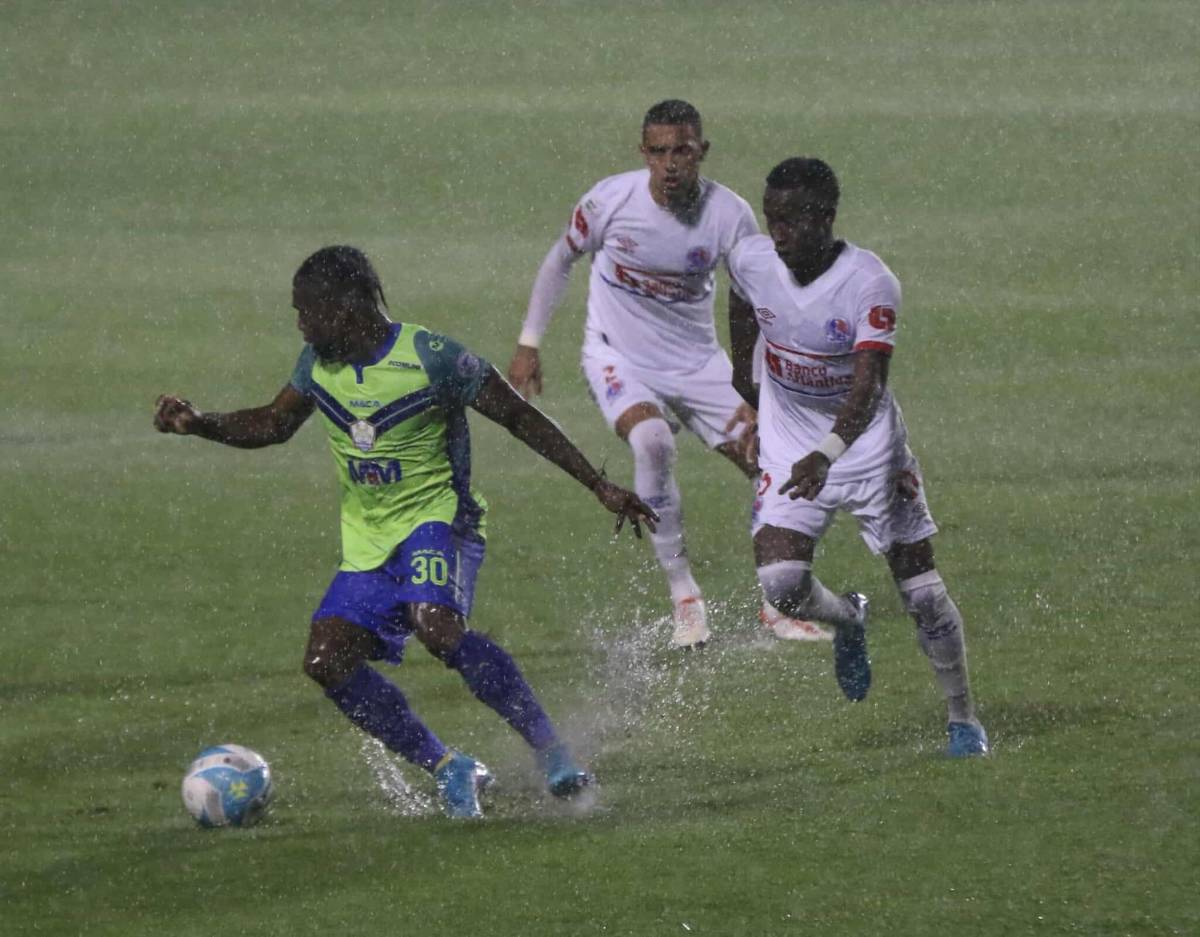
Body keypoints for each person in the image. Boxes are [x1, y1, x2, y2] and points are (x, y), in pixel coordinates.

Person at [154, 245, 659, 817]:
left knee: (436, 626)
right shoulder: (317, 364)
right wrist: (201, 424)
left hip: (439, 520)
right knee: (326, 660)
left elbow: (517, 414)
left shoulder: (432, 356)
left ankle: (553, 753)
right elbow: (273, 424)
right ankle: (450, 766)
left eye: (307, 311)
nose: (300, 324)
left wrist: (597, 483)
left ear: (349, 306)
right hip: (370, 540)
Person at [507, 99, 829, 649]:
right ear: (644, 154)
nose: (671, 163)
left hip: (700, 364)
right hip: (618, 358)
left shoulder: (729, 216)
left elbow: (760, 299)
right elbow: (561, 259)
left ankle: (777, 603)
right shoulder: (608, 202)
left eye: (682, 150)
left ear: (702, 151)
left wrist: (769, 385)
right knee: (652, 441)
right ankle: (685, 597)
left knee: (775, 467)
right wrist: (529, 342)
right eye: (659, 151)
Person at [727, 157, 989, 757]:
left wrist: (829, 452)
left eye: (792, 220)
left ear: (826, 217)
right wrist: (745, 378)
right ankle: (847, 619)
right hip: (793, 440)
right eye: (772, 219)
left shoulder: (869, 283)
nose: (779, 233)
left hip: (865, 444)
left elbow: (868, 385)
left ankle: (963, 718)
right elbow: (742, 296)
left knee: (921, 591)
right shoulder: (753, 257)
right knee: (782, 584)